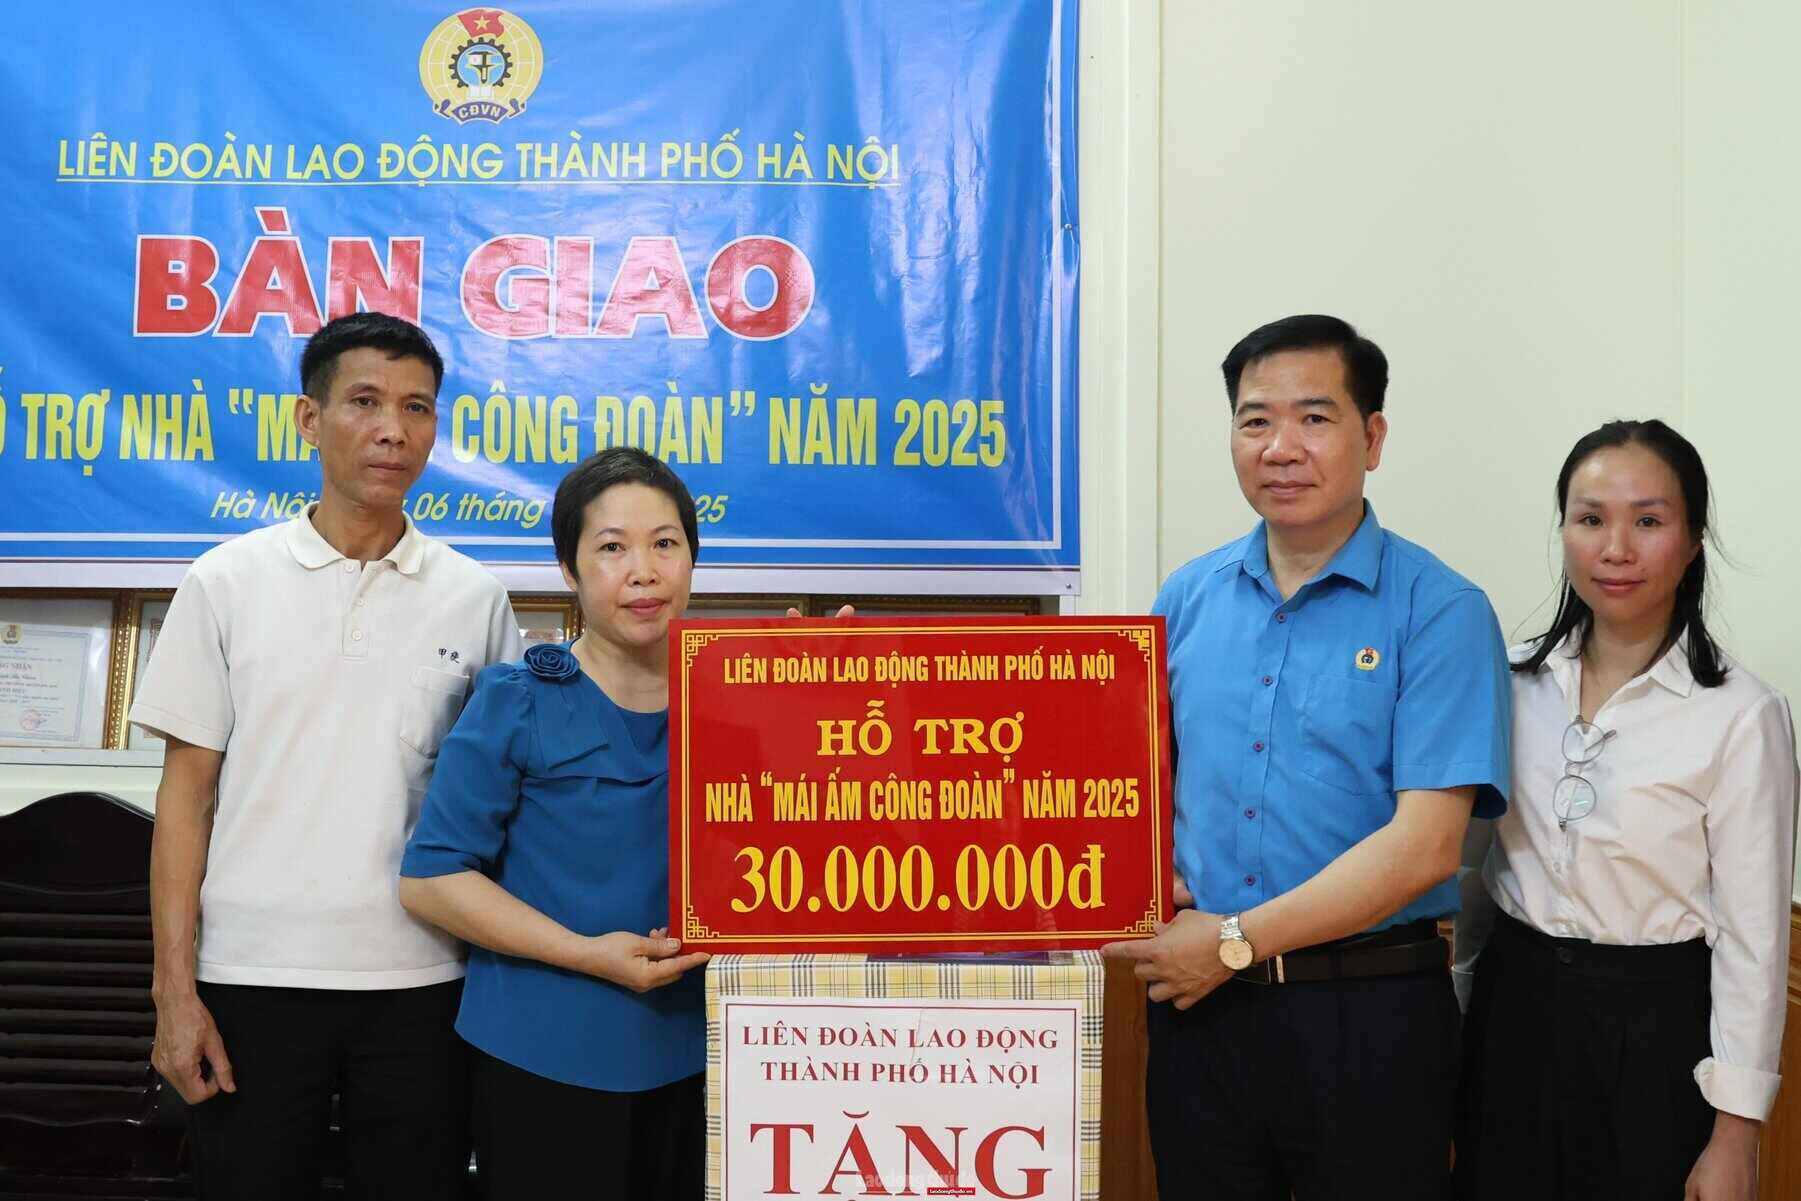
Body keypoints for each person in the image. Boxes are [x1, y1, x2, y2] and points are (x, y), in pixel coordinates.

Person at [1103, 314, 1511, 1198]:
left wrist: (1238, 942)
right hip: (1198, 1014)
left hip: (1369, 1019)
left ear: (1372, 437)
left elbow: (1425, 847)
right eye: (1255, 421)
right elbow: (1119, 788)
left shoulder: (1439, 610)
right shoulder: (1186, 598)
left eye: (1314, 418)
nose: (1281, 446)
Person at [132, 312, 523, 1199]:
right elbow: (184, 802)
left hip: (426, 982)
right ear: (310, 420)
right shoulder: (227, 581)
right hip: (249, 980)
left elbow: (511, 793)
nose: (394, 428)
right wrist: (173, 994)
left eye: (417, 407)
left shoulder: (477, 599)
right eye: (365, 401)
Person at [1454, 420, 1796, 1201]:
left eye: (1647, 520)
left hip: (1655, 1029)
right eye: (1589, 518)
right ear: (1563, 531)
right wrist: (1461, 1006)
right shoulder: (1507, 682)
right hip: (1515, 1009)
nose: (1615, 548)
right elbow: (1476, 870)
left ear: (1692, 539)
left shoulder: (1741, 714)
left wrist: (1735, 1136)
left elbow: (1752, 938)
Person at [398, 447, 712, 1200]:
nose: (643, 570)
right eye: (611, 547)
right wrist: (585, 953)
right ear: (569, 570)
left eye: (665, 543)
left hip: (705, 1056)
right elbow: (431, 878)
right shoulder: (517, 698)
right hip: (540, 1055)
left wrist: (838, 673)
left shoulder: (734, 696)